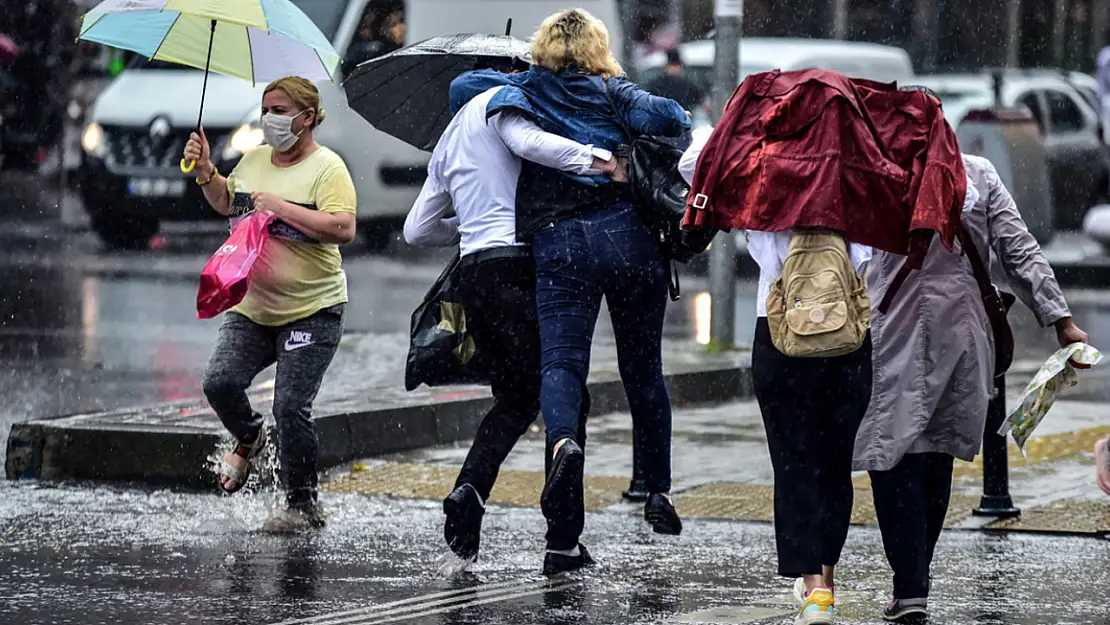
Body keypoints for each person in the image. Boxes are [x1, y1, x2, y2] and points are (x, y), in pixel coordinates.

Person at [449, 8, 691, 574]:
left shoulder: (525, 88)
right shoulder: (617, 91)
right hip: (629, 238)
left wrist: (520, 71)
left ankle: (562, 443)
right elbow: (674, 117)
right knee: (643, 367)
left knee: (562, 363)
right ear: (598, 49)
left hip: (561, 243)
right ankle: (656, 487)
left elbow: (464, 86)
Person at [856, 86, 1089, 623]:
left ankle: (909, 581)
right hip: (964, 334)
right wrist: (1060, 319)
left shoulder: (877, 174)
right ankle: (916, 579)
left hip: (891, 330)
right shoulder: (977, 173)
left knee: (888, 456)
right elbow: (1019, 249)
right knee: (935, 455)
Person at [403, 66, 623, 573]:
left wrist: (470, 225)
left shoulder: (448, 140)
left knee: (517, 397)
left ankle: (470, 491)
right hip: (520, 266)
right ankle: (563, 541)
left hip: (477, 271)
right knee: (565, 391)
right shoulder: (499, 104)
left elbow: (417, 231)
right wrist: (601, 161)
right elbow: (533, 143)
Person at [679, 124, 873, 625]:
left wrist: (747, 134)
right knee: (834, 462)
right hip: (847, 343)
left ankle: (813, 589)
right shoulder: (859, 178)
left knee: (794, 461)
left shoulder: (763, 179)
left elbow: (694, 163)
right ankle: (825, 577)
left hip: (783, 338)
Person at [183, 76, 357, 534]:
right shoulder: (254, 159)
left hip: (312, 311)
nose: (270, 119)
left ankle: (303, 504)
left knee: (291, 407)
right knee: (219, 382)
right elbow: (228, 203)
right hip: (252, 308)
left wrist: (282, 207)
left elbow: (343, 228)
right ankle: (249, 436)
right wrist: (205, 172)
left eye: (280, 110)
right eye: (266, 109)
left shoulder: (328, 168)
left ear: (307, 116)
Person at [645, 49, 708, 114]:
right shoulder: (658, 83)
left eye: (676, 66)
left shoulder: (687, 84)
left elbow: (702, 99)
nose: (674, 69)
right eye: (673, 66)